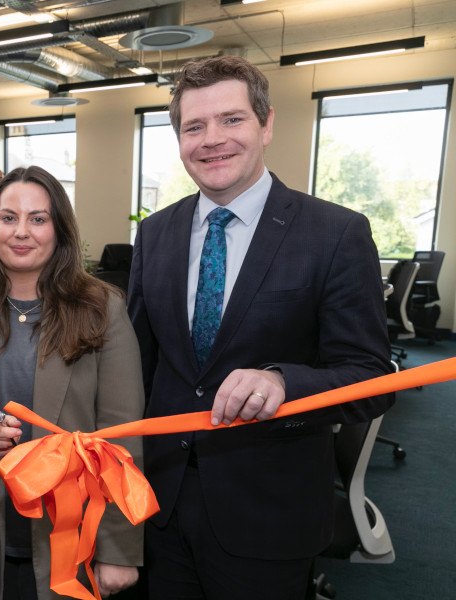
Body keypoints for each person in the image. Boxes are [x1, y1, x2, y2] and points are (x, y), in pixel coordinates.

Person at [127, 55, 394, 599]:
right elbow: (140, 366)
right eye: (193, 126)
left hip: (268, 512)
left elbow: (370, 375)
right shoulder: (155, 234)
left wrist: (283, 381)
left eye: (232, 119)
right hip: (162, 501)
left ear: (266, 124)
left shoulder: (335, 234)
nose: (212, 140)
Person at [0, 165, 144, 600]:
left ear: (59, 228)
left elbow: (122, 436)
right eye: (8, 217)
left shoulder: (103, 308)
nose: (21, 231)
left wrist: (119, 548)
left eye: (38, 218)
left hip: (73, 531)